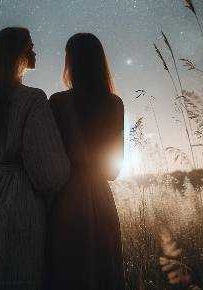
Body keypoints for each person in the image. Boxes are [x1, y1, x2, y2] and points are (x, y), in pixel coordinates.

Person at [0, 27, 70, 290]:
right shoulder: (33, 98)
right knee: (17, 270)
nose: (34, 52)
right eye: (29, 47)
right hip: (20, 199)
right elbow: (48, 172)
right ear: (15, 55)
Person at [46, 32, 125, 290]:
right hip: (102, 200)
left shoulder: (57, 102)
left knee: (67, 273)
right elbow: (114, 171)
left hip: (66, 199)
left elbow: (51, 158)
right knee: (103, 271)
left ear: (71, 62)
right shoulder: (114, 104)